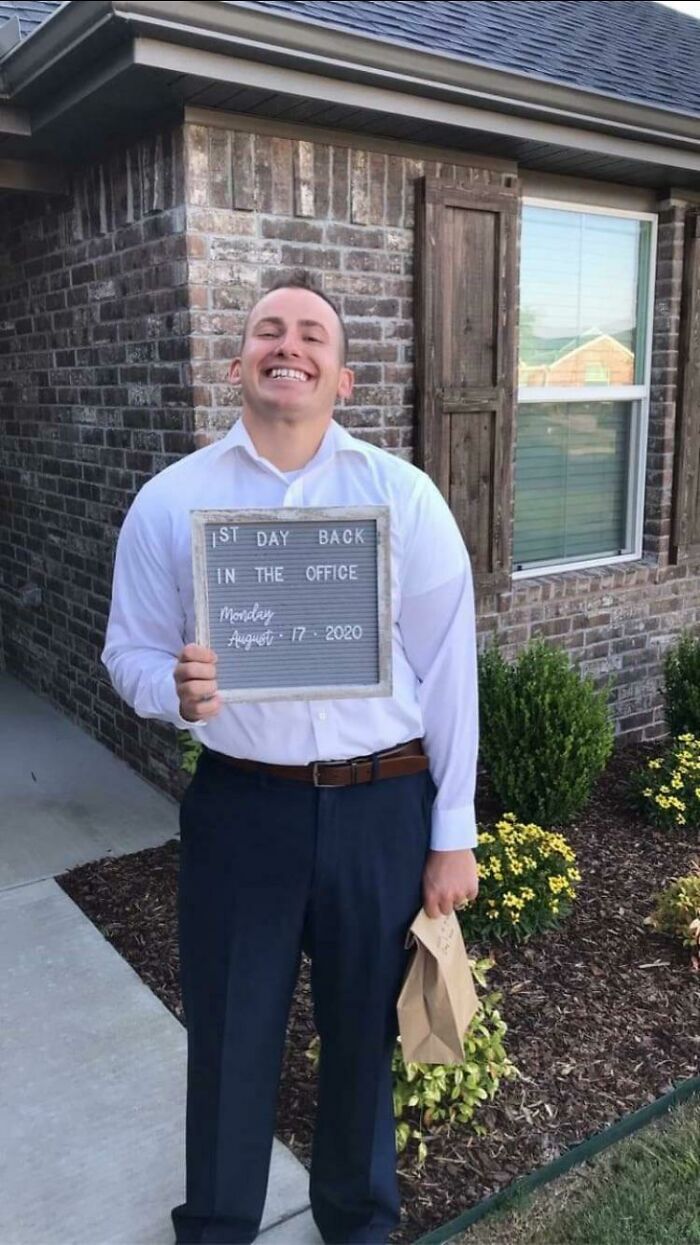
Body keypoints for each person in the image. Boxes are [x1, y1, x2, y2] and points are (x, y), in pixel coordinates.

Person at [101, 270, 479, 1245]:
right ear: (238, 364)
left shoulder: (402, 497)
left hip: (381, 803)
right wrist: (172, 689)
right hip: (243, 808)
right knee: (230, 1034)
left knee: (362, 1035)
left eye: (313, 333)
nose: (289, 345)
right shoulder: (171, 501)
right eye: (269, 329)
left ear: (343, 377)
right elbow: (128, 652)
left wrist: (453, 834)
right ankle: (217, 1227)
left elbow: (450, 674)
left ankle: (357, 1225)